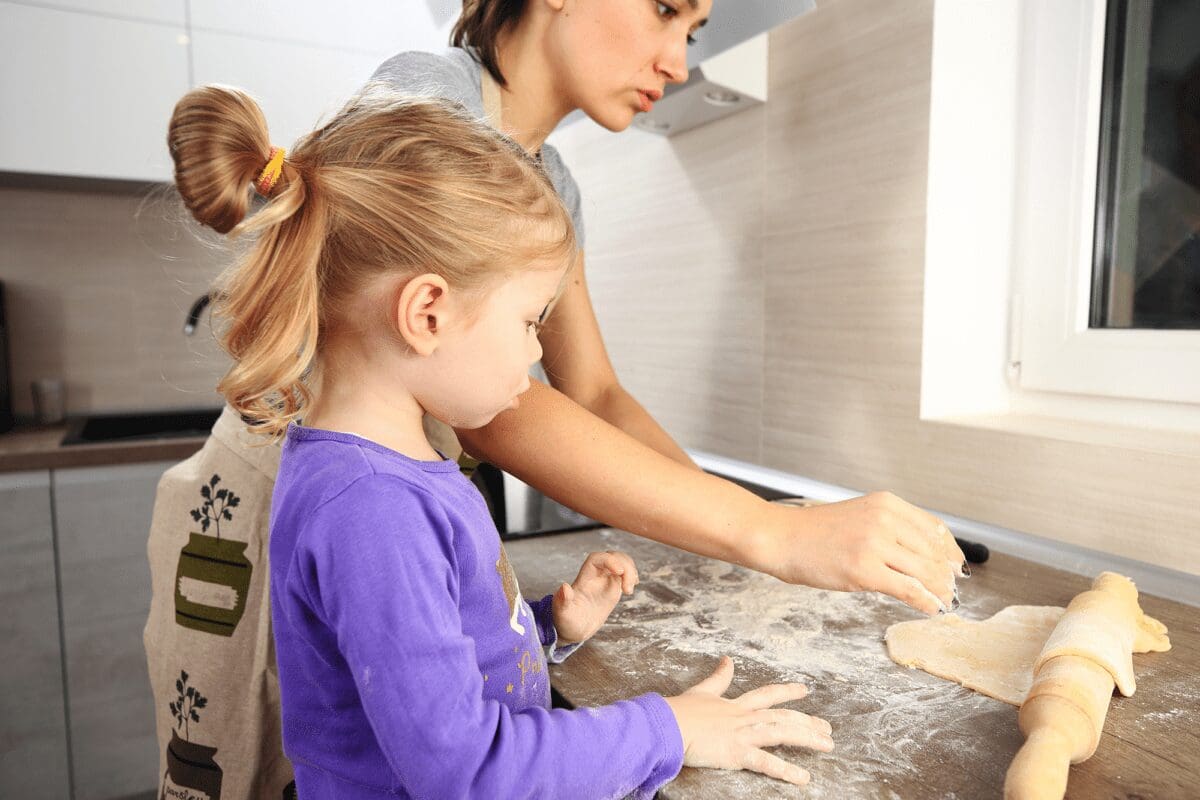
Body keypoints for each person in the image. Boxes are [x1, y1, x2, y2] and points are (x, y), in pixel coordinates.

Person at [144, 1, 963, 796]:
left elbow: (594, 392)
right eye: (665, 10)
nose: (679, 61)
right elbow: (503, 414)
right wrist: (770, 538)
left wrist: (748, 535)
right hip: (251, 508)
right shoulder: (432, 98)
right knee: (246, 764)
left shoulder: (551, 190)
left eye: (696, 31)